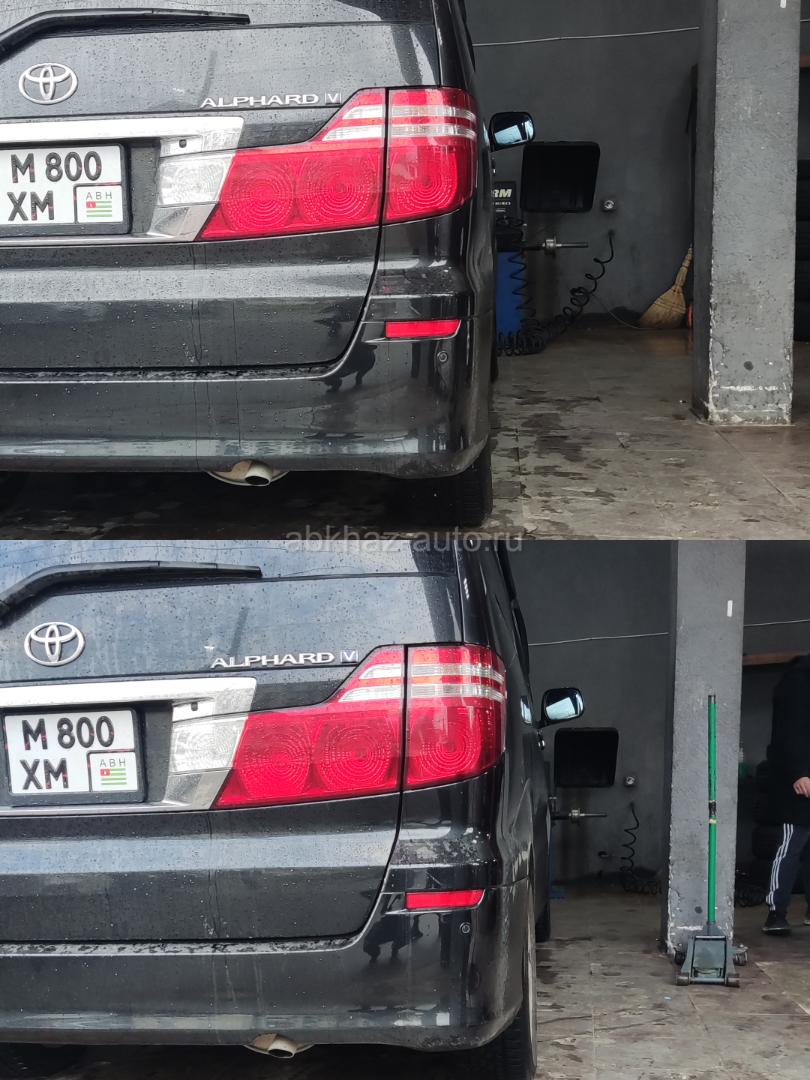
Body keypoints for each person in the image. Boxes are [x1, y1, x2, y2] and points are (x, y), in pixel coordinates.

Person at [763, 656, 810, 935]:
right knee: (792, 844)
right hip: (798, 781)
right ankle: (775, 912)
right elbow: (790, 732)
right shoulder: (798, 681)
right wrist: (799, 772)